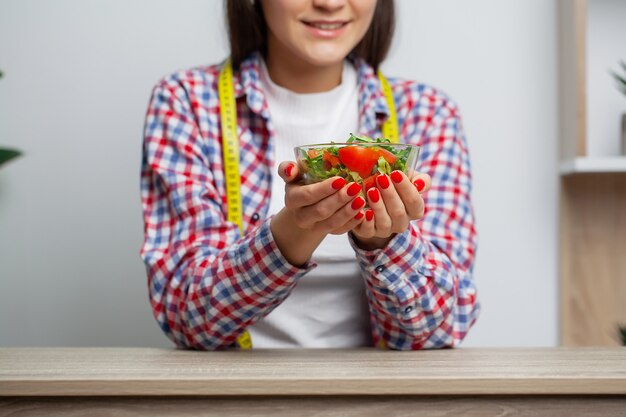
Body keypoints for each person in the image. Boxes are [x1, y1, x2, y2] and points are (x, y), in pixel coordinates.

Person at [140, 0, 479, 350]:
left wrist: (384, 242)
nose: (330, 3)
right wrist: (296, 227)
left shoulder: (427, 113)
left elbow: (440, 329)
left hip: (378, 401)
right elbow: (187, 320)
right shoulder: (187, 103)